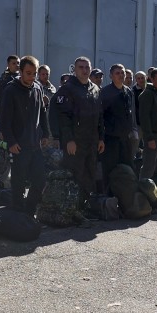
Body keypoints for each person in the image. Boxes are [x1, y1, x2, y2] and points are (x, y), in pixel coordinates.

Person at [0, 56, 50, 215]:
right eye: (28, 73)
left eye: (34, 73)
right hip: (18, 146)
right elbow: (4, 120)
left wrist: (45, 134)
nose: (32, 77)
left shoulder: (37, 88)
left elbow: (42, 113)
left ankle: (29, 212)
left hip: (35, 145)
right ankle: (17, 214)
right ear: (20, 72)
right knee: (18, 184)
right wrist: (11, 142)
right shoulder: (10, 90)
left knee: (40, 180)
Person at [53, 56, 104, 205]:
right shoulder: (67, 89)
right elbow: (63, 117)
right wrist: (69, 140)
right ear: (74, 70)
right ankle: (73, 208)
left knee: (90, 173)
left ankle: (86, 206)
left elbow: (100, 116)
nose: (84, 70)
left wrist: (101, 138)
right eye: (81, 67)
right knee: (75, 174)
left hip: (92, 140)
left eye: (87, 67)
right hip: (75, 141)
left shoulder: (95, 89)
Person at [99, 63, 137, 180]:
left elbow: (131, 113)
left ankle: (124, 195)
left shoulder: (128, 92)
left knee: (127, 167)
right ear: (111, 76)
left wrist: (133, 130)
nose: (121, 75)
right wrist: (101, 138)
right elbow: (100, 116)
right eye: (117, 73)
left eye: (123, 73)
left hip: (126, 138)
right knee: (110, 168)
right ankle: (109, 195)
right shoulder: (105, 93)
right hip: (110, 138)